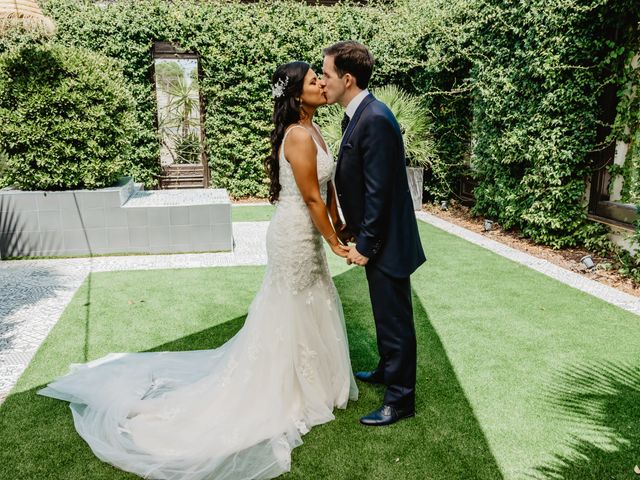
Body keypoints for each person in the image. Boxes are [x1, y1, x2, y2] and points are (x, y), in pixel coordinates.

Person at [38, 61, 358, 480]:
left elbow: (328, 191)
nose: (321, 82)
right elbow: (312, 199)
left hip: (306, 234)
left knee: (311, 301)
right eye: (314, 79)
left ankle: (316, 381)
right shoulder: (298, 135)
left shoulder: (314, 129)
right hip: (294, 236)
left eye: (320, 77)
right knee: (290, 307)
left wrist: (341, 225)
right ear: (297, 95)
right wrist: (335, 242)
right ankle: (290, 386)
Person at [320, 41, 426, 427]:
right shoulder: (358, 114)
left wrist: (366, 244)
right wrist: (352, 224)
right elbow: (364, 184)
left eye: (327, 74)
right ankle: (387, 369)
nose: (322, 81)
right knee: (385, 314)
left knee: (395, 320)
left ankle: (400, 400)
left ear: (347, 79)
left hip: (388, 242)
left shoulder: (376, 118)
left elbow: (381, 191)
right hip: (375, 235)